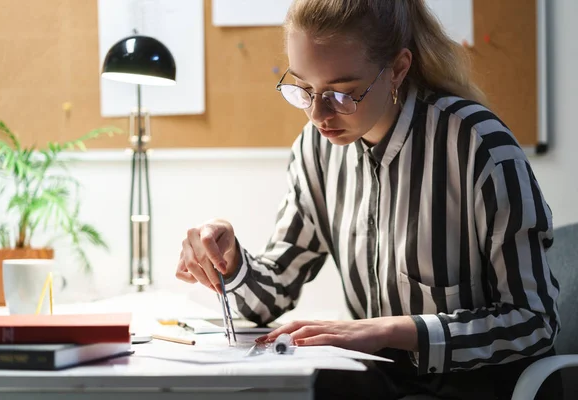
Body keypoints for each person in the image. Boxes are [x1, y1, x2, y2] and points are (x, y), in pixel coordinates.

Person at [175, 0, 561, 398]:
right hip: (379, 386)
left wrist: (390, 330)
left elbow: (534, 321)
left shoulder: (477, 144)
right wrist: (229, 260)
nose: (318, 115)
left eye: (343, 93)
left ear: (397, 69)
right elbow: (273, 291)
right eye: (303, 90)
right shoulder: (317, 151)